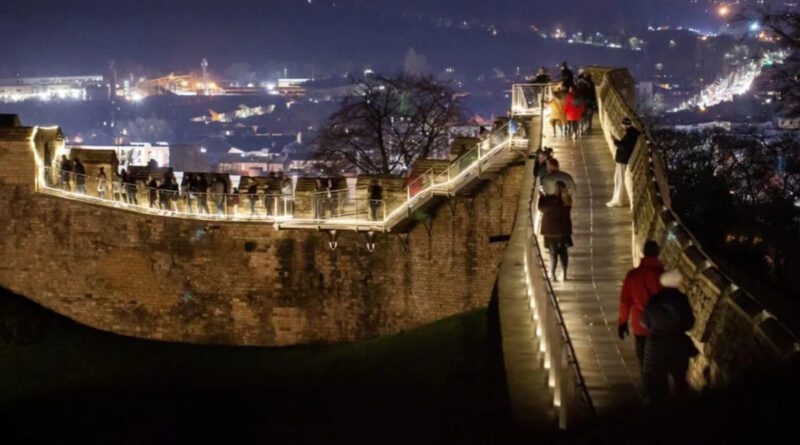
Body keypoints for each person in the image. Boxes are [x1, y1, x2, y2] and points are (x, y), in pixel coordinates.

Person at [641, 270, 697, 404]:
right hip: (677, 344)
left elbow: (644, 321)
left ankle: (662, 413)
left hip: (657, 346)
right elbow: (689, 322)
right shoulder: (682, 299)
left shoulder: (654, 300)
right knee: (679, 380)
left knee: (659, 383)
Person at [618, 241, 665, 370]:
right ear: (658, 253)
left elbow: (625, 301)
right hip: (659, 326)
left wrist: (623, 322)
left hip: (640, 324)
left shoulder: (633, 275)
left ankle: (648, 386)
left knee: (644, 363)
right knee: (659, 365)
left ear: (643, 253)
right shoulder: (663, 276)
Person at [538, 180, 573, 281]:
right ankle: (564, 273)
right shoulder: (567, 199)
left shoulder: (550, 199)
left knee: (553, 253)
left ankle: (552, 274)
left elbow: (541, 208)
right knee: (563, 253)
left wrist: (541, 197)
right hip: (564, 230)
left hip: (551, 231)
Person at [607, 117, 641, 208]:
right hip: (622, 160)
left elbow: (624, 147)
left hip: (623, 160)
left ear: (625, 125)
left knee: (620, 180)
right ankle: (615, 198)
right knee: (616, 179)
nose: (622, 127)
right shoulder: (632, 133)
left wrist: (614, 140)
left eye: (622, 125)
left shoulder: (631, 134)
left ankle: (619, 200)